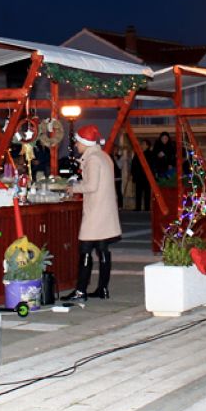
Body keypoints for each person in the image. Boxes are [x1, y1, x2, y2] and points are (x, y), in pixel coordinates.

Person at [64, 125, 121, 300]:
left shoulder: (92, 159)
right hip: (106, 210)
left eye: (78, 143)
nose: (76, 146)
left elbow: (91, 186)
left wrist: (72, 188)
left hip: (96, 211)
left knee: (85, 249)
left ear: (84, 143)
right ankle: (102, 289)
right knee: (103, 249)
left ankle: (81, 290)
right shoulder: (104, 156)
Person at [130, 139, 151, 211]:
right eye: (141, 144)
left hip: (147, 177)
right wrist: (133, 173)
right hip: (138, 177)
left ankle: (147, 208)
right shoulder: (138, 154)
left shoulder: (150, 154)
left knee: (147, 194)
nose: (142, 145)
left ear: (147, 146)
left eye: (143, 144)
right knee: (138, 193)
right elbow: (133, 164)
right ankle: (138, 207)